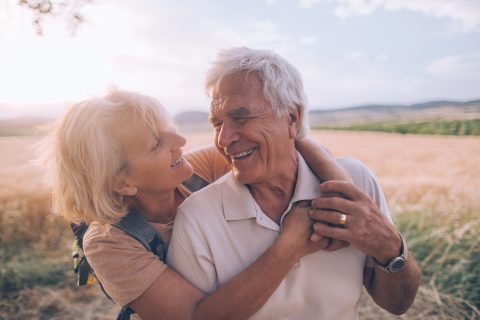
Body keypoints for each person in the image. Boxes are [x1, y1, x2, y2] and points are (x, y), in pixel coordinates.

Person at [37, 89, 351, 320]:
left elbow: (286, 144)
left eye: (171, 132)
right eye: (158, 144)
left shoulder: (196, 170)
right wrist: (289, 248)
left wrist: (345, 195)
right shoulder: (110, 243)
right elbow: (194, 316)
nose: (181, 144)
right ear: (123, 182)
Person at [167, 47, 421, 319]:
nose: (223, 139)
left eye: (241, 118)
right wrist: (287, 249)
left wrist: (389, 246)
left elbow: (398, 304)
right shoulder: (197, 217)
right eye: (217, 123)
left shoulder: (355, 183)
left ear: (291, 118)